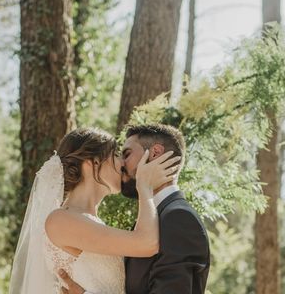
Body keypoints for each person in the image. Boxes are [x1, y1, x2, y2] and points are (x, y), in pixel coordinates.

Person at [8, 126, 180, 294]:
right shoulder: (61, 220)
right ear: (92, 162)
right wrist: (144, 186)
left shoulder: (91, 221)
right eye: (114, 155)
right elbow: (147, 243)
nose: (121, 162)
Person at [60, 123, 210, 294]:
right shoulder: (153, 219)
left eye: (127, 154)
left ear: (155, 153)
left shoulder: (178, 218)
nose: (121, 164)